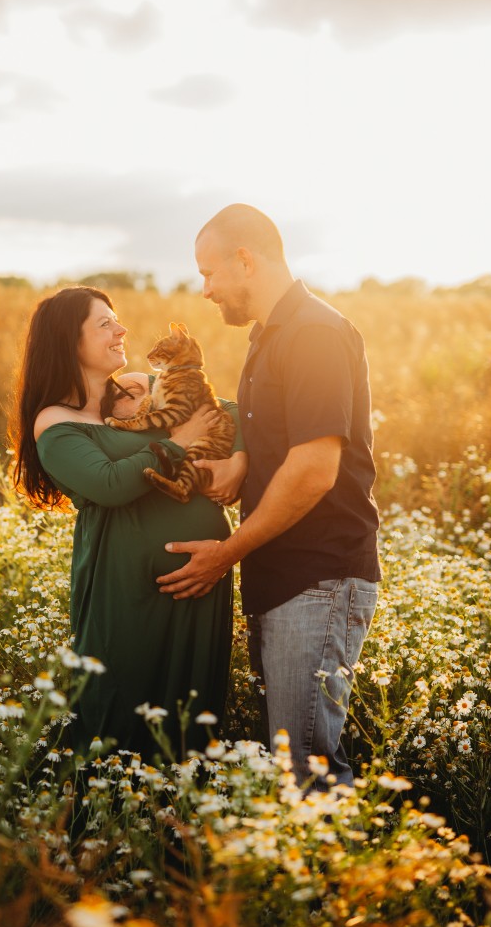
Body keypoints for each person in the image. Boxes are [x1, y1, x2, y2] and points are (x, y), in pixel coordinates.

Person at [158, 204, 381, 791]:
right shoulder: (270, 336)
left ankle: (337, 882)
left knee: (305, 770)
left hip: (319, 576)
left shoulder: (312, 333)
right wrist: (242, 464)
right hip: (286, 575)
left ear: (245, 260)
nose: (204, 290)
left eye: (208, 273)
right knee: (295, 763)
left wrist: (225, 552)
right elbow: (288, 440)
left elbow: (314, 468)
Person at [9, 285, 247, 761]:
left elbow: (236, 413)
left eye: (117, 320)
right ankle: (105, 825)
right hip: (127, 593)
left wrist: (239, 459)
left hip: (202, 579)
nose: (122, 330)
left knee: (191, 719)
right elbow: (111, 483)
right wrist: (178, 441)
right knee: (120, 714)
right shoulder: (55, 422)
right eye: (104, 324)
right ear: (66, 340)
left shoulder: (139, 394)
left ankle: (182, 827)